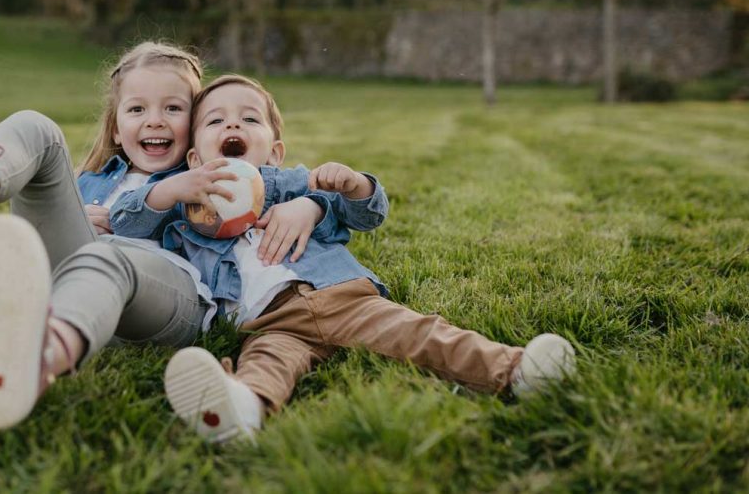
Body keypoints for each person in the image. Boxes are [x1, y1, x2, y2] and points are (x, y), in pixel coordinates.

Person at [110, 74, 577, 443]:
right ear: (194, 158)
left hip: (337, 296)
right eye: (215, 121)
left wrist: (352, 185)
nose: (232, 126)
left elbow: (367, 214)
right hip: (268, 322)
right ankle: (241, 407)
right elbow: (129, 222)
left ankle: (514, 370)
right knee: (268, 363)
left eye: (249, 119)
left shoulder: (296, 186)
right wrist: (169, 190)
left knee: (419, 332)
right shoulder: (184, 211)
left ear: (274, 150)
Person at [0, 42, 255, 430]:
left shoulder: (210, 176)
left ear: (198, 121)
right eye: (137, 109)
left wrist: (308, 205)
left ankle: (40, 356)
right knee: (39, 129)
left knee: (107, 258)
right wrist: (77, 215)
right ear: (116, 128)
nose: (155, 120)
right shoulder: (89, 182)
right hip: (76, 298)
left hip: (165, 304)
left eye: (173, 108)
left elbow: (274, 187)